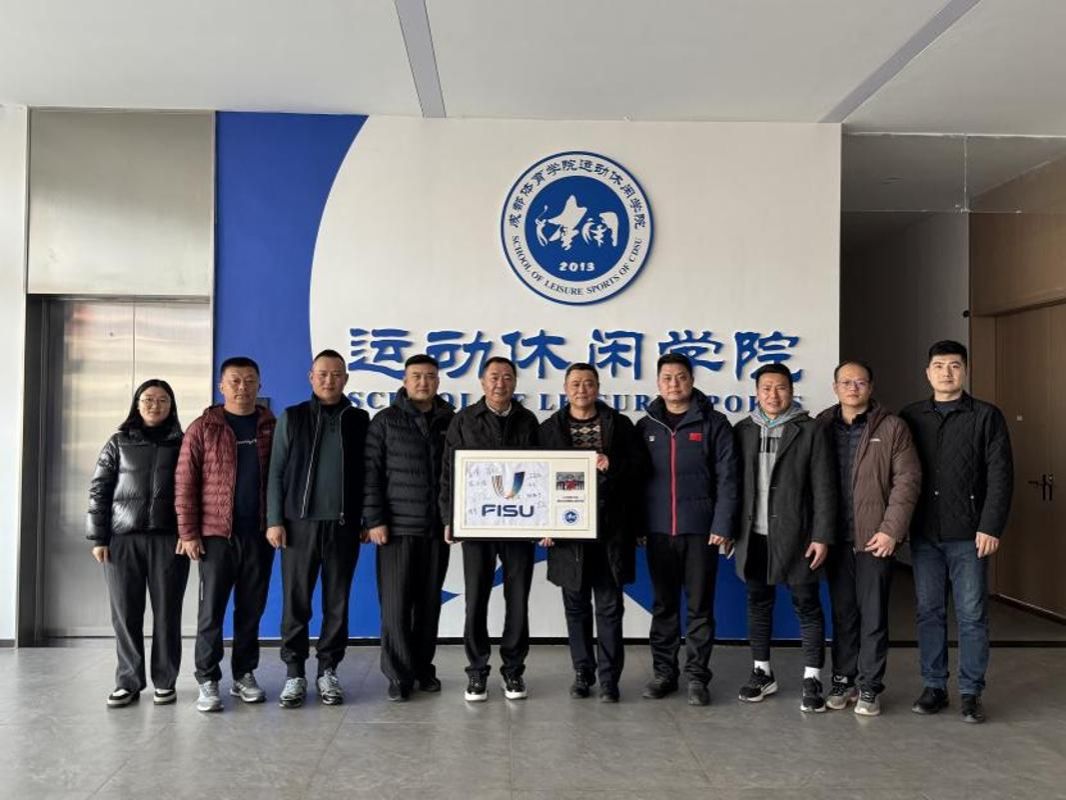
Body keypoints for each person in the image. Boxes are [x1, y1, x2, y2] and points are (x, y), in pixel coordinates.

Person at [901, 340, 1013, 724]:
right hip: (924, 533)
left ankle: (970, 692)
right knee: (929, 612)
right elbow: (899, 473)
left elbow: (1000, 476)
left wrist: (990, 525)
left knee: (972, 614)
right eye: (939, 365)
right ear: (927, 373)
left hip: (969, 534)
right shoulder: (911, 416)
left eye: (954, 365)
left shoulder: (986, 416)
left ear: (965, 370)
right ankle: (934, 686)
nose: (946, 373)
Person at [730, 363, 836, 712]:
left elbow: (824, 487)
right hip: (754, 535)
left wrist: (821, 535)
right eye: (766, 388)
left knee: (807, 605)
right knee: (758, 603)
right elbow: (732, 485)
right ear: (756, 393)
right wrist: (729, 530)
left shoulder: (810, 430)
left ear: (791, 391)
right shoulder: (744, 430)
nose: (773, 395)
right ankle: (762, 671)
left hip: (799, 536)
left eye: (780, 388)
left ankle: (813, 676)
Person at [816, 361, 920, 716]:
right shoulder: (821, 426)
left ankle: (870, 686)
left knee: (873, 616)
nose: (853, 388)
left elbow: (907, 481)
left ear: (871, 387)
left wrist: (891, 530)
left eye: (860, 382)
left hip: (875, 539)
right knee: (843, 614)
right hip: (835, 538)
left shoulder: (892, 427)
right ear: (835, 387)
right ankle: (843, 679)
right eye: (846, 382)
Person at [267, 349, 368, 708]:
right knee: (296, 603)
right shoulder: (293, 417)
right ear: (311, 377)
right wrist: (274, 520)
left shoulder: (359, 419)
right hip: (299, 526)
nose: (329, 380)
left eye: (336, 374)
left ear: (346, 379)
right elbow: (276, 471)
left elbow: (369, 474)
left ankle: (328, 670)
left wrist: (366, 518)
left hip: (343, 527)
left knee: (337, 603)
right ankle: (294, 672)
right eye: (322, 374)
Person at [635, 353, 739, 706]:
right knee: (664, 606)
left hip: (701, 530)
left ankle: (697, 676)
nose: (674, 384)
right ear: (658, 383)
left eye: (680, 377)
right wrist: (639, 524)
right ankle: (664, 673)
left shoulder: (714, 424)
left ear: (691, 381)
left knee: (699, 607)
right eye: (667, 377)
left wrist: (722, 523)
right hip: (658, 531)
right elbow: (636, 482)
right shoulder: (646, 426)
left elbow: (728, 478)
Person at [540, 363, 647, 703]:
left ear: (598, 387)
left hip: (611, 531)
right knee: (576, 607)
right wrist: (542, 525)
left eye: (588, 383)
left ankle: (610, 679)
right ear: (565, 388)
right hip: (567, 534)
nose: (582, 389)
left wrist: (612, 464)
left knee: (610, 607)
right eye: (575, 383)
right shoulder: (549, 429)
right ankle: (582, 673)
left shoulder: (620, 425)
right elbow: (537, 481)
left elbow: (642, 469)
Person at [175, 356, 276, 713]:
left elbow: (282, 479)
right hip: (216, 536)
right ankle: (207, 677)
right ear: (221, 386)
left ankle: (244, 674)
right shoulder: (203, 428)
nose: (242, 387)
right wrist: (188, 532)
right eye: (235, 380)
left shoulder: (271, 426)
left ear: (259, 384)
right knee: (212, 611)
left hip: (259, 535)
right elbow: (185, 482)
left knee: (251, 610)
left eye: (249, 380)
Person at [439, 356, 539, 702]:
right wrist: (449, 517)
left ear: (515, 382)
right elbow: (449, 472)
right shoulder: (464, 420)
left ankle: (513, 671)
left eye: (507, 377)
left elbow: (539, 474)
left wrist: (545, 520)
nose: (500, 383)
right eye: (494, 377)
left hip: (519, 524)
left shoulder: (528, 420)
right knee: (476, 598)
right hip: (477, 524)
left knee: (518, 599)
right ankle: (477, 671)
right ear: (482, 382)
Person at [87, 379, 188, 708]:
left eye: (162, 400)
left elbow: (193, 491)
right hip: (122, 540)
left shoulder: (183, 444)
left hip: (169, 540)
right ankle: (128, 681)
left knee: (167, 613)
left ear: (171, 406)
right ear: (137, 404)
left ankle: (165, 681)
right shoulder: (118, 442)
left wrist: (188, 533)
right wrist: (99, 537)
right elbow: (99, 490)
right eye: (148, 399)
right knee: (125, 613)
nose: (154, 405)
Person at [363, 354, 455, 701]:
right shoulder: (385, 421)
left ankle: (422, 668)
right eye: (416, 376)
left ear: (438, 381)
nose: (423, 382)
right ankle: (398, 675)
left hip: (436, 530)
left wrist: (453, 519)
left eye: (430, 376)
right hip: (396, 530)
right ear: (404, 381)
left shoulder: (451, 420)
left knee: (429, 605)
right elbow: (370, 474)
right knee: (396, 606)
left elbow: (459, 475)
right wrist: (375, 520)